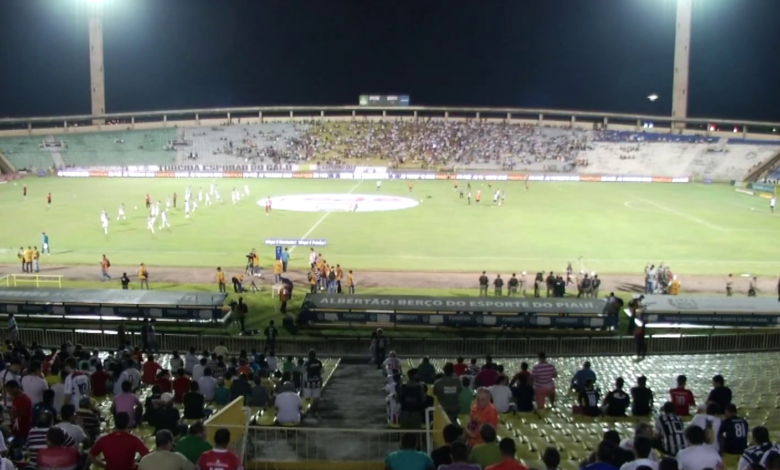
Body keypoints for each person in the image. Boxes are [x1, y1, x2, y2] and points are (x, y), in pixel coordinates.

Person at [303, 349, 324, 414]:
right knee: (316, 398)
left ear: (308, 355)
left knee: (307, 398)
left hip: (308, 383)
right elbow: (322, 371)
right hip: (317, 382)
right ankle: (314, 410)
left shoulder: (306, 363)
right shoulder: (318, 362)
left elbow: (302, 371)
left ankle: (307, 411)